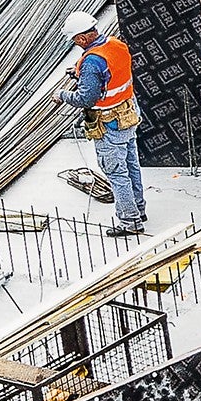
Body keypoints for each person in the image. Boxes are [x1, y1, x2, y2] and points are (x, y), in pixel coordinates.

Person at [62, 13, 144, 237]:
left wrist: (62, 95)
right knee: (131, 165)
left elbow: (85, 99)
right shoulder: (115, 44)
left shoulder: (92, 61)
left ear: (81, 39)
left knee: (116, 173)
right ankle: (139, 209)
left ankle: (130, 222)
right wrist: (81, 73)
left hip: (109, 123)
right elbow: (110, 75)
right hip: (128, 113)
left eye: (74, 40)